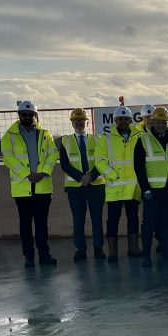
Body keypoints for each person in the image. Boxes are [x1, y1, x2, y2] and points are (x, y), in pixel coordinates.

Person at [1, 100, 59, 267]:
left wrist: (43, 172)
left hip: (42, 186)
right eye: (24, 114)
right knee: (25, 225)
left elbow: (52, 154)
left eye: (30, 114)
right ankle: (29, 256)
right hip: (22, 188)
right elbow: (8, 158)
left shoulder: (45, 134)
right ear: (19, 115)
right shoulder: (9, 136)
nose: (27, 117)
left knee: (42, 225)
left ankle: (44, 255)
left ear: (35, 116)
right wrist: (27, 175)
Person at [134, 107, 168, 267]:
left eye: (163, 122)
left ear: (167, 123)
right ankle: (146, 255)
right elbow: (138, 166)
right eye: (157, 122)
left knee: (167, 223)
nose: (160, 125)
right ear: (152, 123)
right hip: (152, 189)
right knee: (149, 223)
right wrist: (145, 188)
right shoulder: (143, 140)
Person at [95, 105, 143, 261]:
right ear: (115, 120)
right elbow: (100, 161)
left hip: (133, 187)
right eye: (120, 119)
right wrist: (113, 176)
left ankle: (133, 248)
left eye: (126, 119)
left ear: (131, 120)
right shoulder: (106, 139)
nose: (123, 121)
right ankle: (112, 252)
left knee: (133, 218)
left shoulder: (139, 136)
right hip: (114, 188)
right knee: (112, 220)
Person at [59, 107, 105, 262]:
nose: (79, 123)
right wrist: (81, 177)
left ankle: (98, 248)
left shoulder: (98, 139)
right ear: (72, 123)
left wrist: (91, 176)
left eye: (81, 120)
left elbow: (101, 161)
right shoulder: (65, 141)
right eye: (75, 120)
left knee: (97, 218)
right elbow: (64, 165)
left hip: (96, 185)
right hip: (75, 187)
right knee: (78, 219)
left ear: (87, 121)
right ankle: (80, 249)